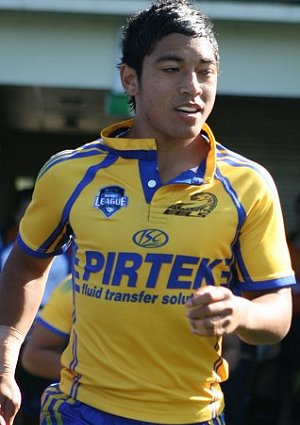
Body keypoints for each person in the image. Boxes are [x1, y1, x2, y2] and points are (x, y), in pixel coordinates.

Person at [0, 1, 296, 424]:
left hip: (194, 415)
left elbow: (278, 308)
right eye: (172, 69)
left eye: (205, 71)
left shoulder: (249, 184)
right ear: (130, 79)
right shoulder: (70, 172)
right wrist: (5, 360)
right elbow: (27, 263)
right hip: (82, 412)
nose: (193, 86)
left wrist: (242, 312)